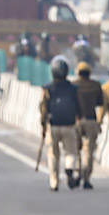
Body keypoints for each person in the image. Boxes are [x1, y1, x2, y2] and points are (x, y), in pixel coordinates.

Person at [39, 57, 83, 191]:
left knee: (53, 154)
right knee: (71, 151)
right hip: (69, 125)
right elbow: (78, 106)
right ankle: (69, 168)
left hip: (53, 125)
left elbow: (43, 108)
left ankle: (54, 182)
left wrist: (43, 125)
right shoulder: (73, 88)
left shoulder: (47, 88)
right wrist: (78, 119)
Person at [73, 62, 104, 190]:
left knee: (75, 149)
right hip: (91, 120)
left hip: (76, 120)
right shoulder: (96, 85)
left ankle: (77, 171)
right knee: (89, 151)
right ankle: (86, 178)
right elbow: (100, 102)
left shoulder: (73, 85)